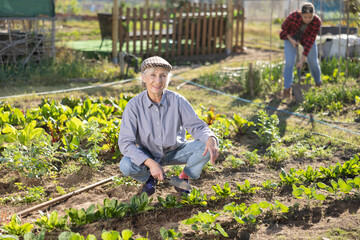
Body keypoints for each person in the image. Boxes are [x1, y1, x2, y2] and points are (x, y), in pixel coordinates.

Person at [118, 56, 219, 196]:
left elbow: (198, 127)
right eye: (153, 75)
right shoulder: (134, 106)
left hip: (176, 151)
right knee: (126, 165)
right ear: (143, 77)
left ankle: (183, 177)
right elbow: (125, 143)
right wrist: (151, 163)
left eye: (163, 76)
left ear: (167, 79)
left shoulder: (177, 101)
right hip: (148, 154)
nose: (158, 81)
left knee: (207, 148)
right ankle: (149, 178)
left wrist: (211, 139)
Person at [280, 2, 322, 98]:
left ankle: (318, 84)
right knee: (290, 62)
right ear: (301, 14)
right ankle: (287, 90)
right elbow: (284, 28)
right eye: (305, 17)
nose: (308, 19)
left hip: (307, 39)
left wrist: (302, 60)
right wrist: (291, 40)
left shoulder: (316, 22)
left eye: (310, 17)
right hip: (291, 37)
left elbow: (310, 41)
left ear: (314, 14)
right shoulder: (293, 16)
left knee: (313, 62)